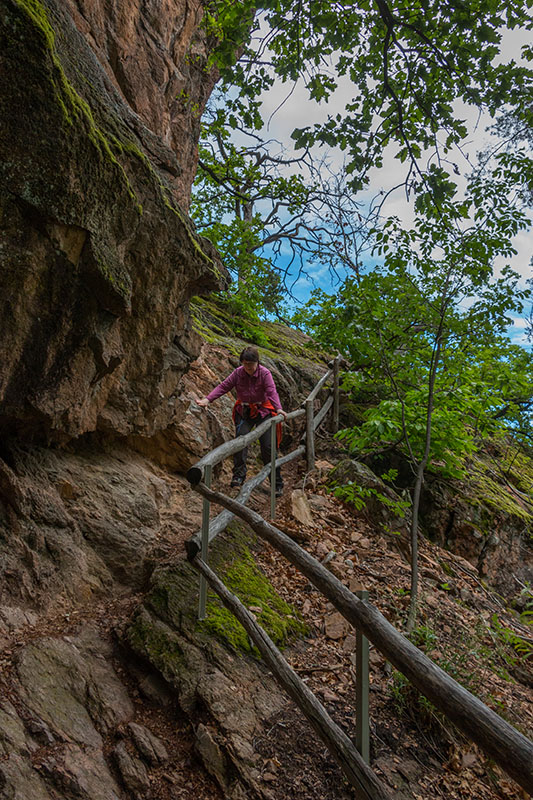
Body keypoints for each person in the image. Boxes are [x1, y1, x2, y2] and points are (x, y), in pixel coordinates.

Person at [197, 347, 287, 496]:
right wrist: (207, 399)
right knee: (240, 440)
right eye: (245, 364)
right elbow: (224, 386)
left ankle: (276, 483)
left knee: (268, 446)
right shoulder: (238, 373)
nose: (248, 368)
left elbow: (272, 391)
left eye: (251, 364)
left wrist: (278, 409)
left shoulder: (265, 374)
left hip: (264, 411)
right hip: (244, 411)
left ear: (257, 362)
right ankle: (238, 476)